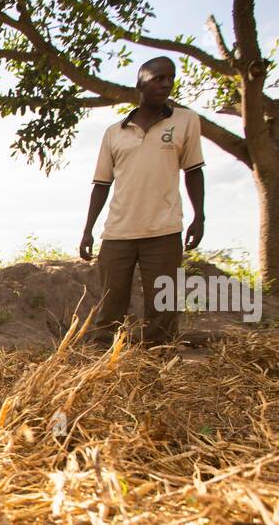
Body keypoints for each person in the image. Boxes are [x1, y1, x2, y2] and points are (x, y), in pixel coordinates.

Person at [79, 56, 205, 347]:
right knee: (111, 306)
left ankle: (156, 361)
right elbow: (101, 184)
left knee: (162, 307)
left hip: (163, 230)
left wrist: (200, 216)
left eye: (170, 78)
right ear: (140, 82)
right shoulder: (115, 132)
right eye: (157, 78)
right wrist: (88, 229)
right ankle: (102, 361)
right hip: (118, 233)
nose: (165, 83)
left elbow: (194, 171)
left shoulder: (186, 121)